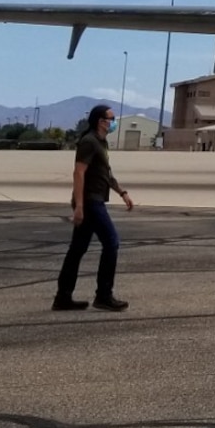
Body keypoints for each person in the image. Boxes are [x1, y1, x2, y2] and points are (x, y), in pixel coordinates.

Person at [55, 105, 135, 312]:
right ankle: (104, 295)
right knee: (111, 243)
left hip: (94, 199)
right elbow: (78, 173)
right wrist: (79, 206)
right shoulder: (89, 142)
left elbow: (105, 173)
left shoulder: (100, 142)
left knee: (77, 249)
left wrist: (122, 192)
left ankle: (63, 297)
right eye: (111, 118)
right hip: (90, 202)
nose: (114, 121)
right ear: (101, 121)